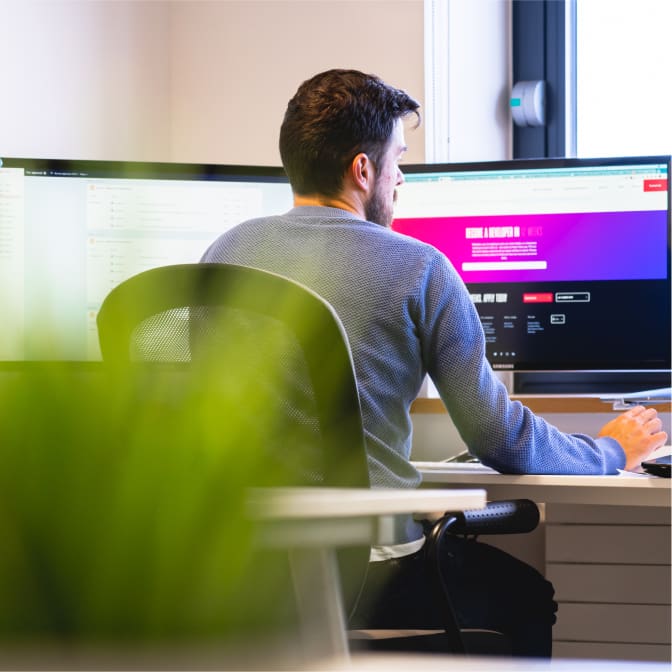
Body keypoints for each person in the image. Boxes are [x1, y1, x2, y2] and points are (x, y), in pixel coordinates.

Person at [201, 68, 668, 656]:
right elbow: (499, 436)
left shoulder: (222, 255)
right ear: (362, 169)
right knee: (528, 598)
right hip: (364, 571)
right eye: (397, 159)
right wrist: (611, 451)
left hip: (236, 566)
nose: (400, 178)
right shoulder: (420, 267)